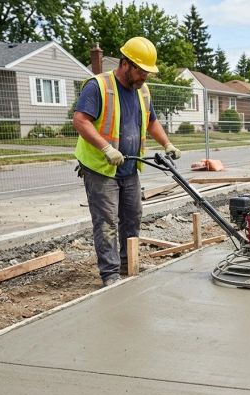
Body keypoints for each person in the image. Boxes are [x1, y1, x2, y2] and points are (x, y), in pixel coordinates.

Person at [73, 36, 181, 287]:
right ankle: (110, 275)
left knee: (132, 217)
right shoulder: (98, 86)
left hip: (129, 168)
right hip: (101, 168)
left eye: (147, 73)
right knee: (107, 222)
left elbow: (152, 121)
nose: (145, 77)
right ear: (125, 64)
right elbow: (80, 121)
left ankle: (126, 265)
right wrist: (106, 148)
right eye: (142, 71)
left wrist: (167, 143)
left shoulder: (142, 90)